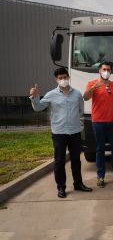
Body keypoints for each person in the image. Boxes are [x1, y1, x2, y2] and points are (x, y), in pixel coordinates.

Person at [30, 67, 92, 198]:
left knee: (76, 160)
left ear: (68, 77)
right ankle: (61, 187)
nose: (63, 80)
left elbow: (80, 110)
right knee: (59, 161)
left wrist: (75, 121)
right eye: (60, 78)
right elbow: (38, 107)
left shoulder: (77, 94)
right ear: (56, 79)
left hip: (75, 132)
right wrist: (34, 97)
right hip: (59, 133)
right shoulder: (51, 94)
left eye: (65, 77)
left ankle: (78, 183)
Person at [83, 61, 113, 188]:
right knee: (100, 150)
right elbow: (85, 97)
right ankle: (101, 177)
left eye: (108, 70)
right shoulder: (92, 83)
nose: (106, 72)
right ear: (99, 70)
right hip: (98, 122)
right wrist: (94, 87)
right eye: (104, 69)